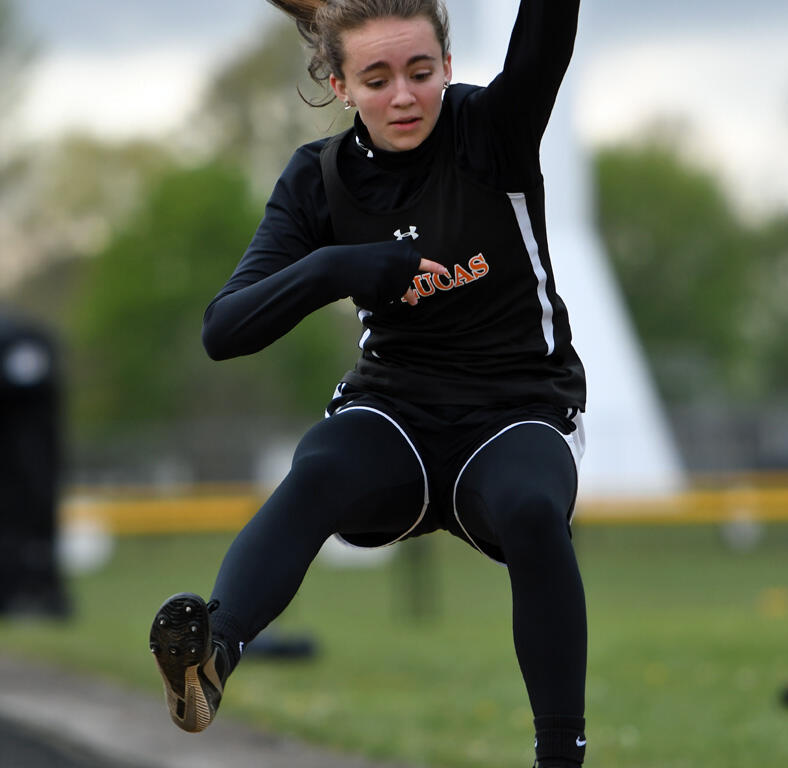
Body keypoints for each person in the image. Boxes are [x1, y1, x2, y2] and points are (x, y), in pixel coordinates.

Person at [149, 1, 588, 765]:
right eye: (378, 79)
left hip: (519, 410)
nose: (404, 96)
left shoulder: (494, 128)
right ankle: (213, 657)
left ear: (448, 66)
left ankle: (560, 755)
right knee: (319, 467)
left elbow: (546, 32)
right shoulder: (318, 179)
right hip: (394, 415)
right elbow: (225, 330)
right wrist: (335, 267)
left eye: (421, 72)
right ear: (341, 86)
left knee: (530, 508)